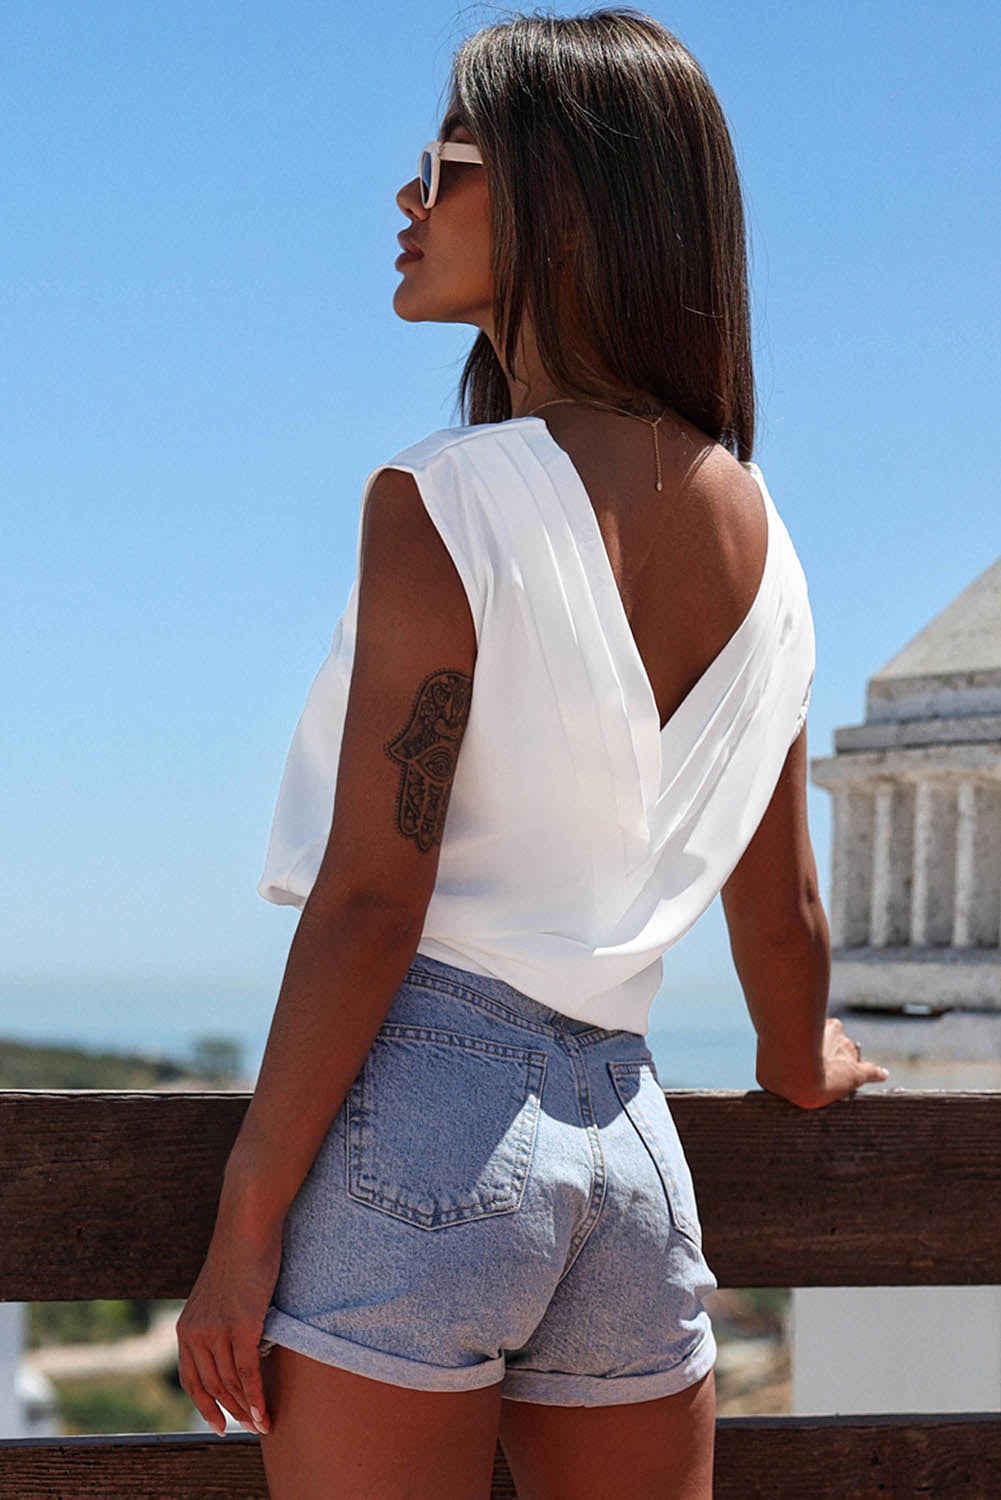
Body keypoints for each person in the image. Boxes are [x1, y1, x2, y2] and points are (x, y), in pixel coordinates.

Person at [175, 9, 889, 1497]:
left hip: (421, 1135)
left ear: (568, 206)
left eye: (444, 165)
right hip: (631, 1162)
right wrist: (798, 1063)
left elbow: (376, 898)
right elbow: (781, 918)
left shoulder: (448, 496)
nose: (405, 202)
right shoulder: (771, 549)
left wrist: (246, 1217)